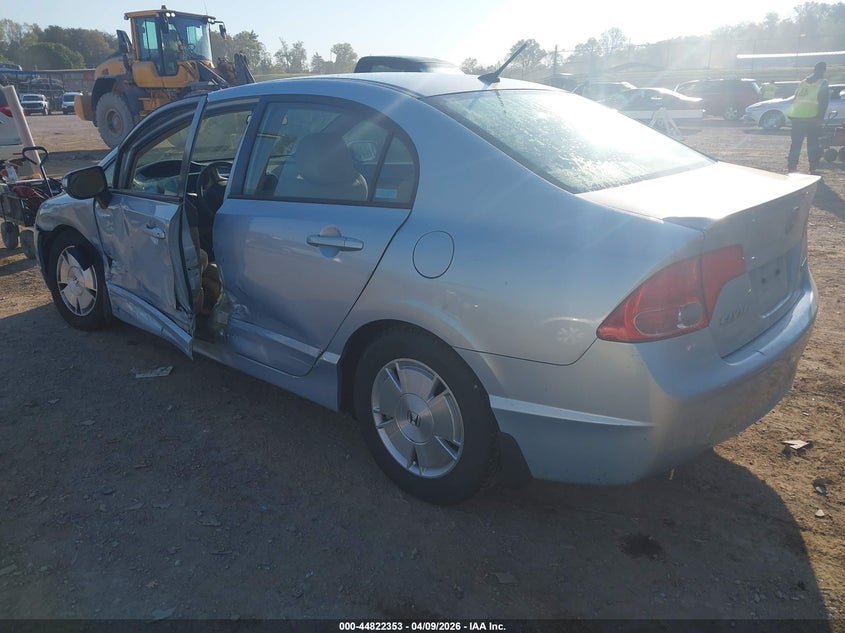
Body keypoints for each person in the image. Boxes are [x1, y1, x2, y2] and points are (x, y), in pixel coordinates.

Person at [787, 62, 829, 174]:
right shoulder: (823, 83)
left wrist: (791, 115)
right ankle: (813, 167)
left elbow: (796, 99)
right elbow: (823, 102)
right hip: (812, 118)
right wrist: (820, 118)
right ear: (824, 70)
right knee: (813, 144)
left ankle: (792, 167)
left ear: (814, 69)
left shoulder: (803, 82)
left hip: (797, 118)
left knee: (795, 144)